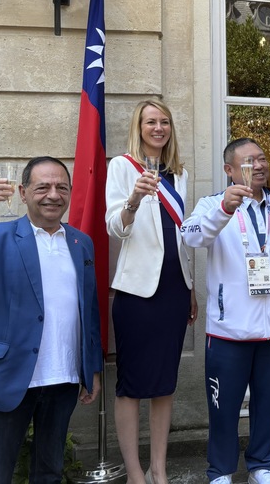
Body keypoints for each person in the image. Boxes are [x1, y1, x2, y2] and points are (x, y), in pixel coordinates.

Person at [0, 157, 102, 483]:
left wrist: (92, 369)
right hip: (8, 376)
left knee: (50, 472)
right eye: (42, 187)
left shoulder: (80, 243)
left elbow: (88, 311)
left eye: (62, 187)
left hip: (63, 378)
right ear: (22, 192)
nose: (53, 195)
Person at [182, 138, 270, 484]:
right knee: (224, 407)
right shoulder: (212, 204)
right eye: (249, 161)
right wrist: (223, 209)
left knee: (268, 403)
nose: (258, 166)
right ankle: (220, 471)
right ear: (229, 170)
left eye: (261, 159)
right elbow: (190, 236)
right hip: (228, 330)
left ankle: (262, 465)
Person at [105, 100, 196, 484]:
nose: (158, 128)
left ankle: (159, 469)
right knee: (131, 386)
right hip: (138, 292)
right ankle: (135, 473)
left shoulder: (180, 173)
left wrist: (191, 287)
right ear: (139, 127)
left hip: (175, 289)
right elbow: (115, 227)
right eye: (151, 122)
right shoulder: (122, 166)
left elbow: (181, 237)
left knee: (164, 384)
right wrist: (134, 200)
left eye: (164, 122)